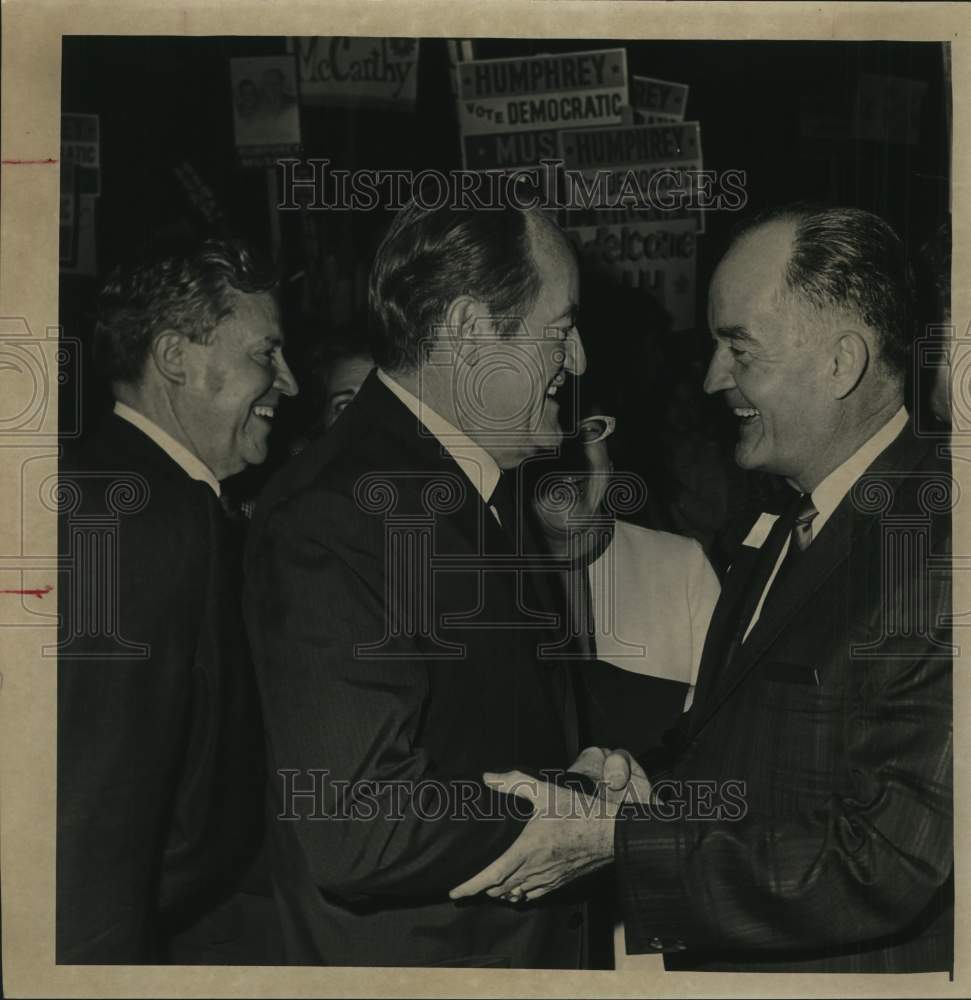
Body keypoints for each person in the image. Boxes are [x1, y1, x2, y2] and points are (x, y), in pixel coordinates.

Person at [451, 205, 953, 974]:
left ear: (841, 362)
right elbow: (729, 738)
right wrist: (634, 781)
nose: (714, 377)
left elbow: (886, 859)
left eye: (737, 348)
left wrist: (617, 844)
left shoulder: (939, 544)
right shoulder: (787, 520)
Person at [244, 202, 595, 967]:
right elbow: (358, 826)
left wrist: (582, 779)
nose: (577, 364)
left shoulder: (476, 482)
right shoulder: (335, 513)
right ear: (471, 331)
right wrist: (572, 818)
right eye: (560, 331)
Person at [57, 238, 299, 963]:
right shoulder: (150, 518)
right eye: (266, 354)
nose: (290, 382)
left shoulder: (130, 493)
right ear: (174, 358)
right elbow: (94, 808)